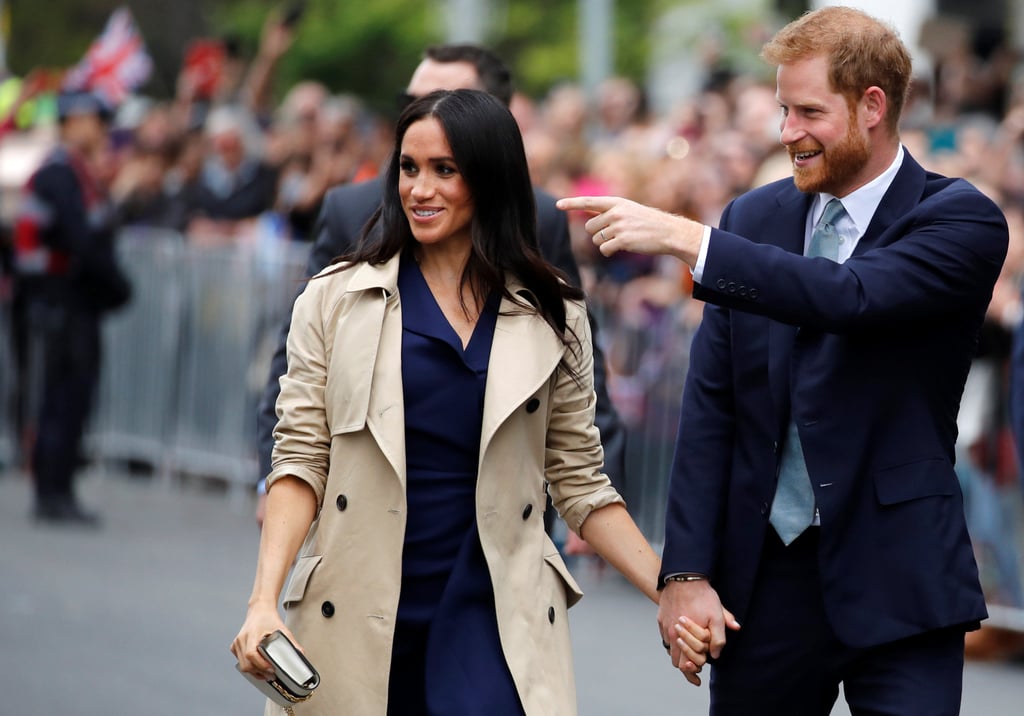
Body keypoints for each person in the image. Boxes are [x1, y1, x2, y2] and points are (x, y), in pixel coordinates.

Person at [559, 6, 1007, 714]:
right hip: (764, 582)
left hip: (900, 576)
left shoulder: (959, 219)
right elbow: (713, 409)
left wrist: (690, 241)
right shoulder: (754, 220)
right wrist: (685, 571)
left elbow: (850, 295)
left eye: (807, 111)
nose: (787, 132)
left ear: (871, 107)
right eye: (781, 109)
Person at [231, 89, 697, 715]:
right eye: (409, 168)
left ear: (490, 177)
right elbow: (299, 460)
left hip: (494, 610)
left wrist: (669, 590)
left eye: (444, 170)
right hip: (358, 603)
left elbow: (582, 485)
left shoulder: (552, 312)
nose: (420, 189)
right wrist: (264, 601)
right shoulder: (334, 298)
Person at [254, 44, 626, 527]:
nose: (421, 190)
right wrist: (274, 474)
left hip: (511, 514)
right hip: (375, 512)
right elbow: (300, 359)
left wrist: (598, 490)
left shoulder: (538, 219)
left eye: (450, 98)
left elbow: (574, 356)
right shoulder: (350, 212)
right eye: (414, 99)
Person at [11, 90, 131, 525]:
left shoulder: (74, 173)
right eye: (93, 118)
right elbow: (81, 242)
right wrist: (119, 287)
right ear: (71, 122)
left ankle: (57, 490)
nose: (100, 127)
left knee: (69, 397)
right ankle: (51, 492)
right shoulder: (61, 174)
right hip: (59, 303)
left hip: (67, 302)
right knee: (62, 398)